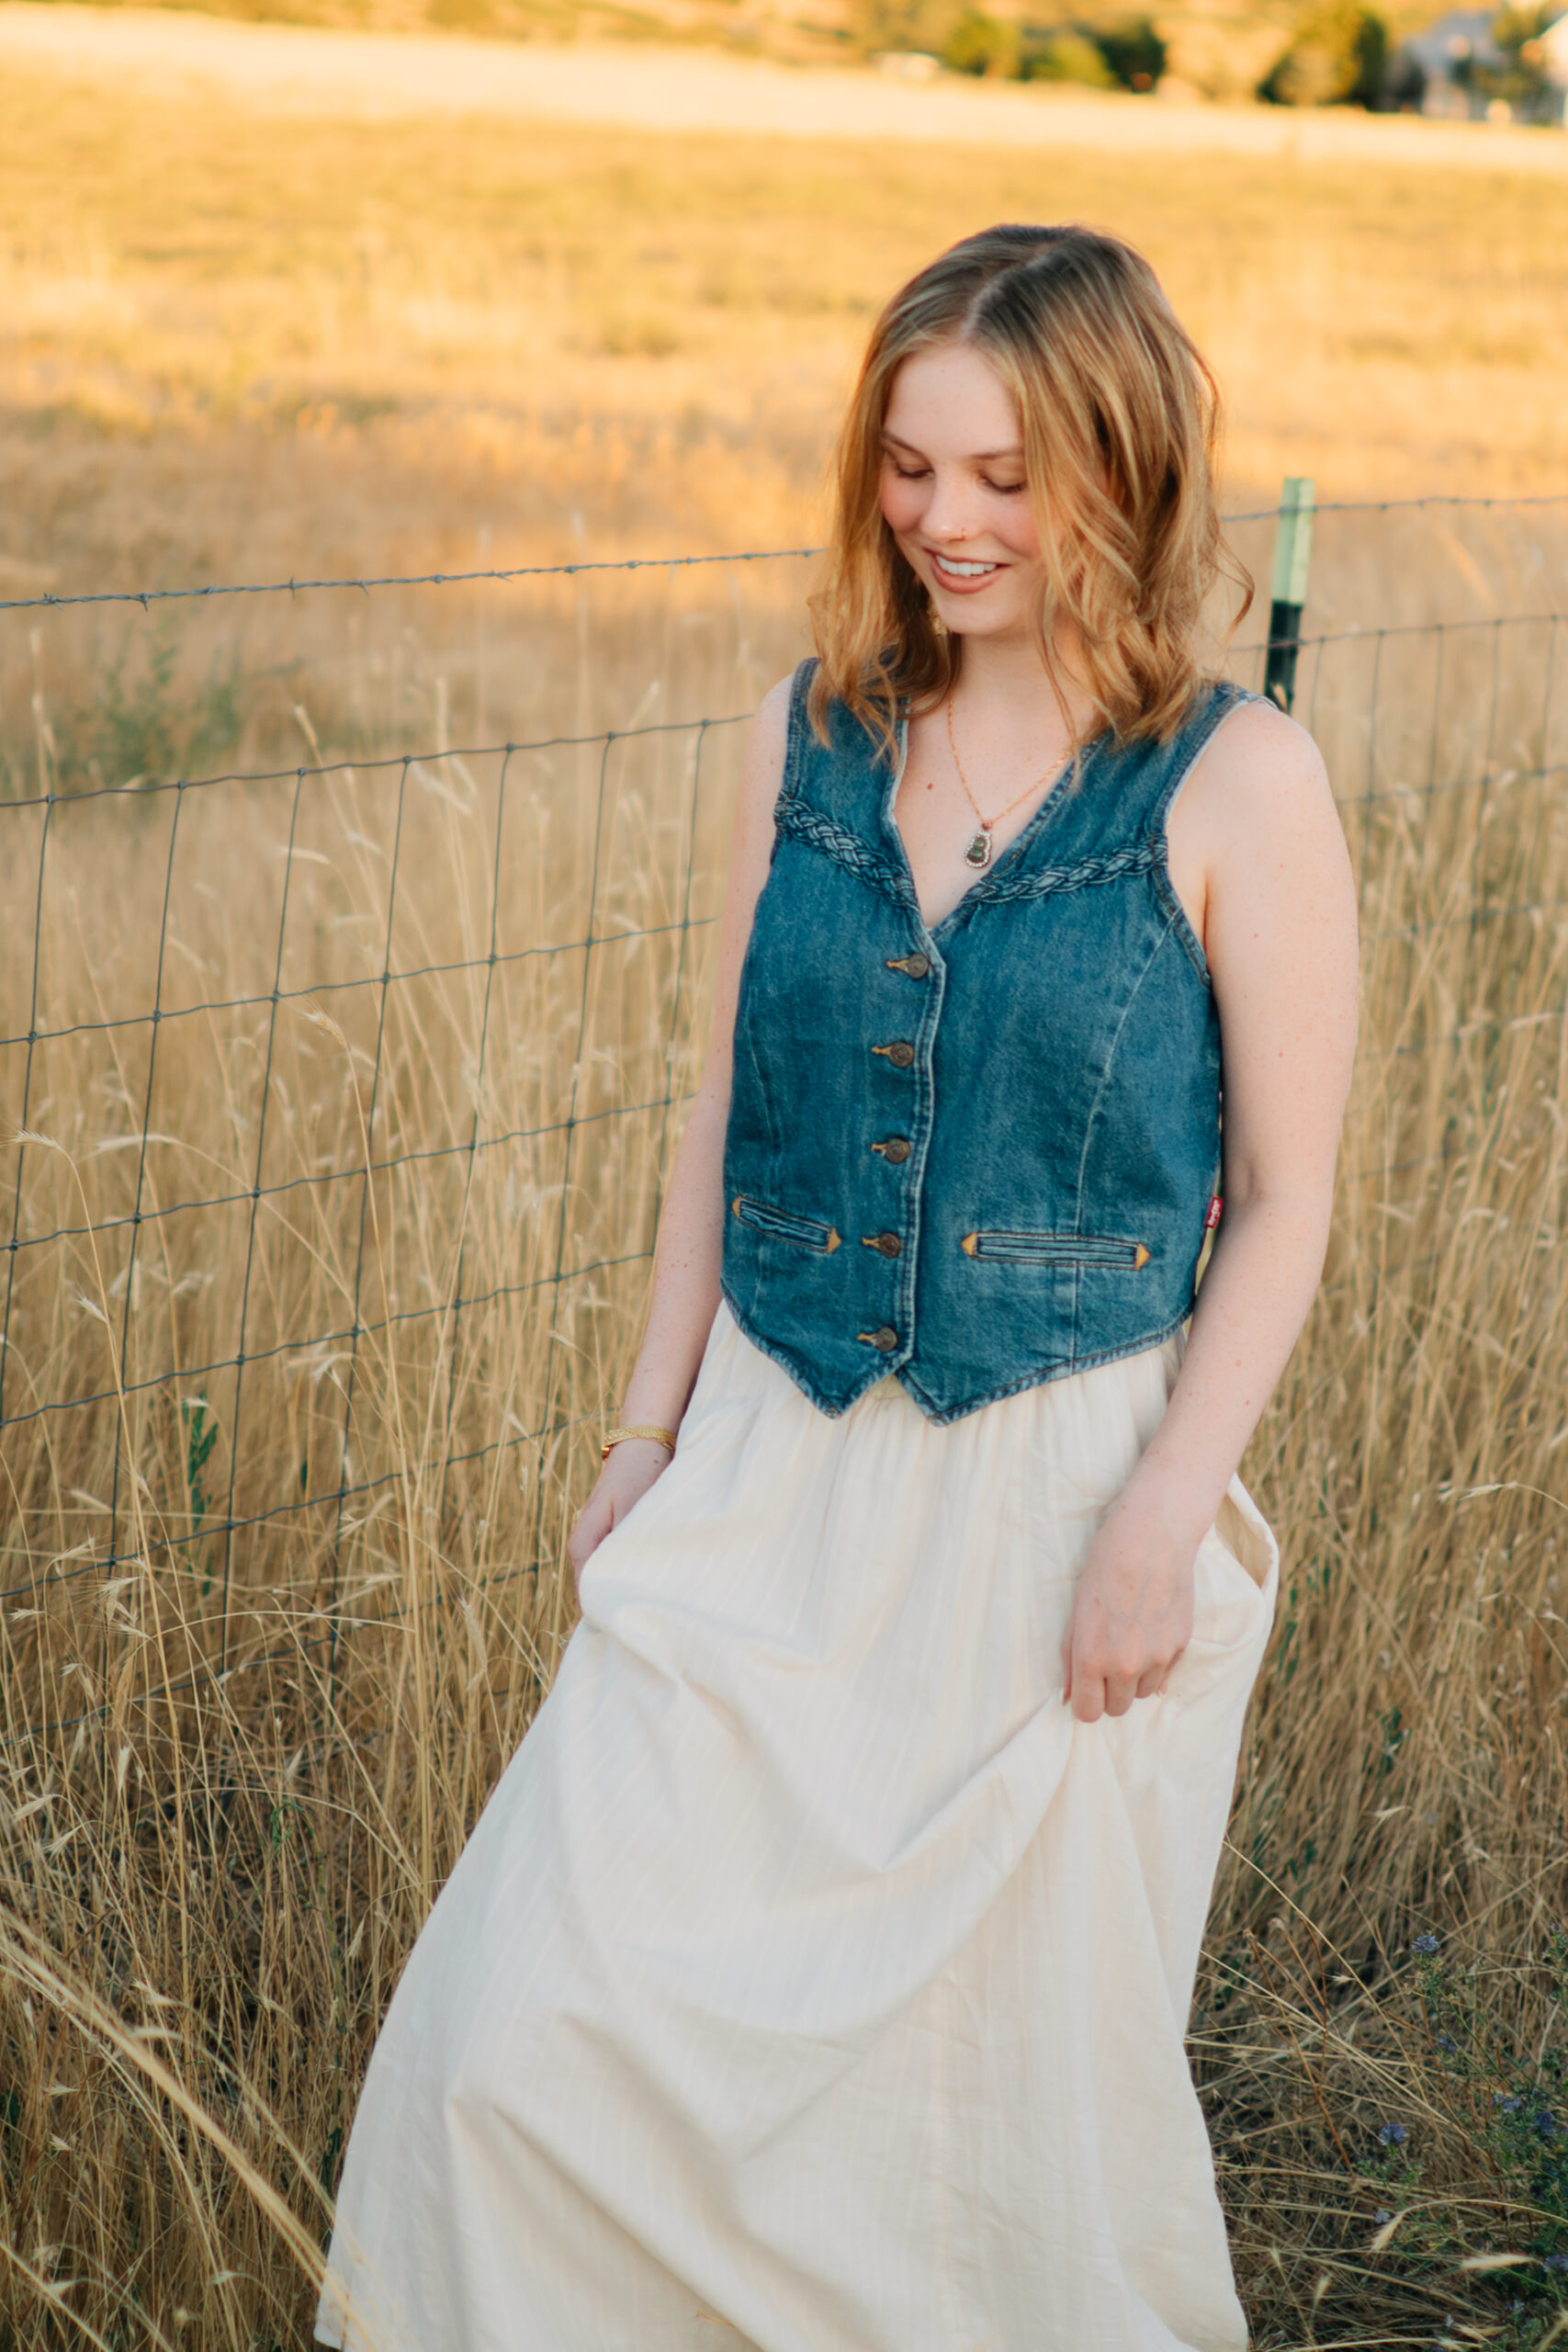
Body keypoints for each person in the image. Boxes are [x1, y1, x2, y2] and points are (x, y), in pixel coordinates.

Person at [316, 222, 1358, 2352]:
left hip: (1050, 1516)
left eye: (1000, 474)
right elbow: (718, 1106)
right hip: (762, 1483)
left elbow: (1282, 1196)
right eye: (906, 467)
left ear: (1120, 465)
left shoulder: (1236, 780)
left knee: (985, 2154)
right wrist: (641, 1428)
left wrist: (1161, 1514)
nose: (943, 522)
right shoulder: (802, 737)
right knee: (519, 2051)